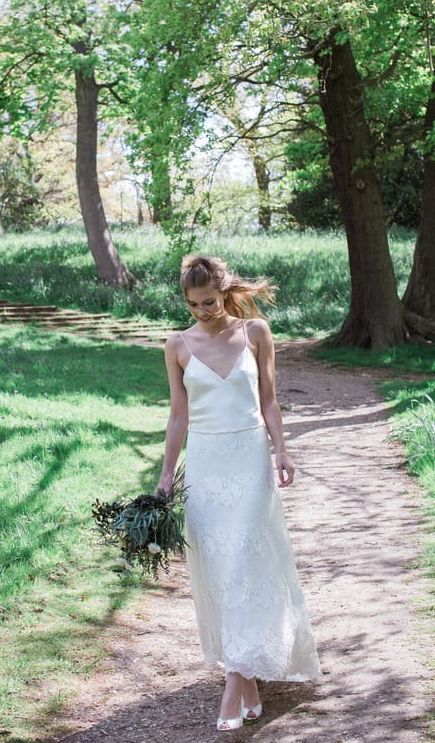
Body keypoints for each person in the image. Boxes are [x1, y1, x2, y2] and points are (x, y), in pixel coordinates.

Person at [156, 254, 322, 731]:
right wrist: (167, 476)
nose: (202, 312)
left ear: (224, 292)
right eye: (192, 305)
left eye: (208, 302)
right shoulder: (177, 345)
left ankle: (233, 681)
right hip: (206, 464)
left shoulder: (256, 333)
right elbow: (178, 417)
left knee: (246, 561)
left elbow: (269, 400)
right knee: (220, 570)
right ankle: (245, 676)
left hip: (249, 458)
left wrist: (282, 451)